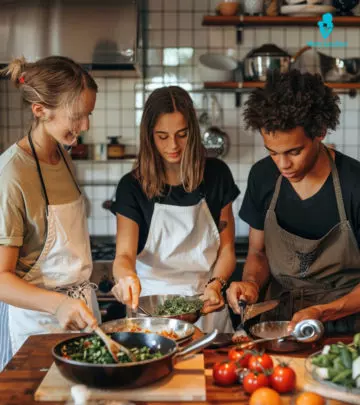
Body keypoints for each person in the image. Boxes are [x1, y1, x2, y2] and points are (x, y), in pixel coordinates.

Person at [226, 70, 360, 335]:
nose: (283, 164)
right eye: (273, 152)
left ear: (320, 132)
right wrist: (251, 284)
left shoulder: (354, 183)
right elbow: (258, 252)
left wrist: (324, 311)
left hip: (348, 327)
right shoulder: (262, 177)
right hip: (279, 324)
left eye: (294, 152)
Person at [111, 86, 240, 333]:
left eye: (182, 134)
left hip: (206, 304)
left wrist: (216, 284)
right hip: (150, 308)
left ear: (193, 131)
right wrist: (125, 278)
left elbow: (227, 249)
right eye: (162, 136)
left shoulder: (217, 175)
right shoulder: (132, 187)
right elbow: (124, 257)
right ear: (149, 136)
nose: (173, 145)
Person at [0, 56, 101, 371]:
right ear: (40, 110)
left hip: (81, 313)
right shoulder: (12, 173)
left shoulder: (63, 155)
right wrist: (58, 305)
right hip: (38, 324)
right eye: (77, 116)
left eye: (88, 115)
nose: (84, 126)